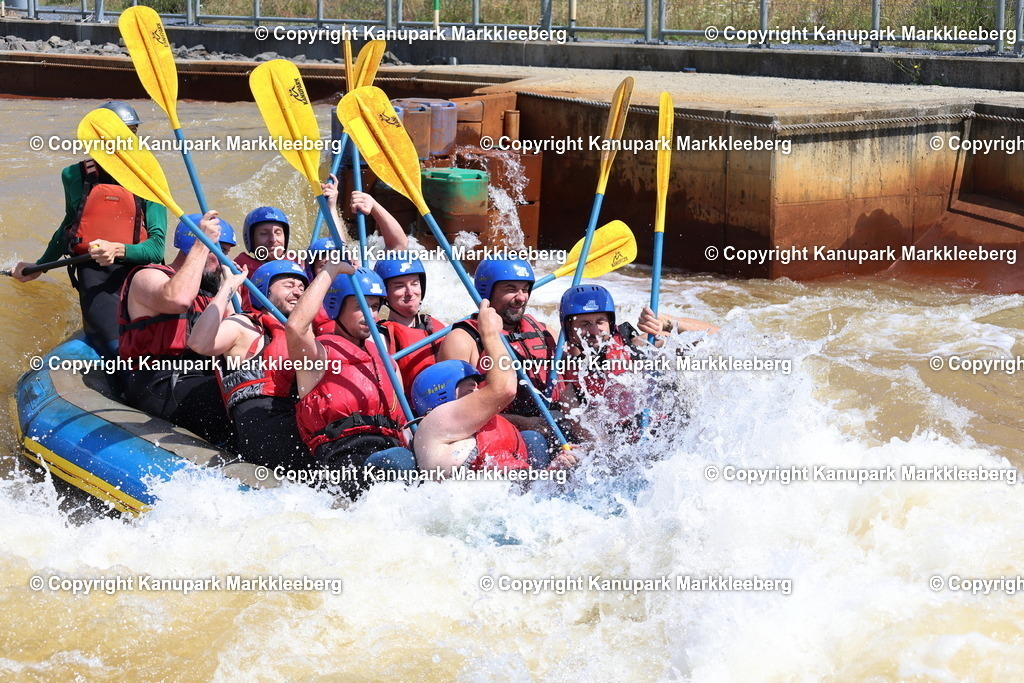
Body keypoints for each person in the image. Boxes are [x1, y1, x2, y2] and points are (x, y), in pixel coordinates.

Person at [11, 101, 167, 357]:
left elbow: (157, 247)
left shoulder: (150, 179)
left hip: (140, 276)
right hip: (94, 275)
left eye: (132, 135)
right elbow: (69, 227)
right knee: (115, 349)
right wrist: (39, 266)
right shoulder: (73, 176)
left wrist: (118, 250)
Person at [285, 261, 415, 498]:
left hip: (392, 453)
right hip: (343, 462)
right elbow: (295, 327)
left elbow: (405, 427)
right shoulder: (318, 357)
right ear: (336, 307)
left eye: (375, 307)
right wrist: (330, 272)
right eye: (361, 306)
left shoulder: (387, 363)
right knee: (398, 463)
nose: (371, 315)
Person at [412, 299, 578, 476]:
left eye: (477, 388)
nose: (478, 394)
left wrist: (553, 470)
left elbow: (528, 488)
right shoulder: (435, 424)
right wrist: (490, 335)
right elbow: (504, 389)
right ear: (440, 395)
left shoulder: (486, 429)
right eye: (469, 391)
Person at [117, 210, 234, 446]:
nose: (224, 263)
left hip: (201, 379)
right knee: (229, 399)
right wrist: (202, 244)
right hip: (158, 381)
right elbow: (178, 299)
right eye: (220, 253)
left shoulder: (214, 294)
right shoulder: (148, 276)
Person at [187, 259, 309, 470]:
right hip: (264, 426)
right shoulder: (245, 325)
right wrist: (229, 287)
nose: (298, 292)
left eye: (302, 288)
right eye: (288, 285)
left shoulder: (306, 337)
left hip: (301, 427)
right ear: (263, 289)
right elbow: (199, 343)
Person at [438, 257, 557, 433]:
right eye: (511, 289)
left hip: (550, 423)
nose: (521, 298)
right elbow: (455, 413)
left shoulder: (546, 332)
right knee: (534, 439)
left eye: (525, 289)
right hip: (499, 432)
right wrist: (522, 423)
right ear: (487, 293)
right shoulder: (462, 340)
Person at [373, 252, 446, 394]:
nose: (410, 292)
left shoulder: (442, 326)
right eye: (399, 286)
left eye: (414, 284)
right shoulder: (381, 339)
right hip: (411, 411)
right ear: (385, 294)